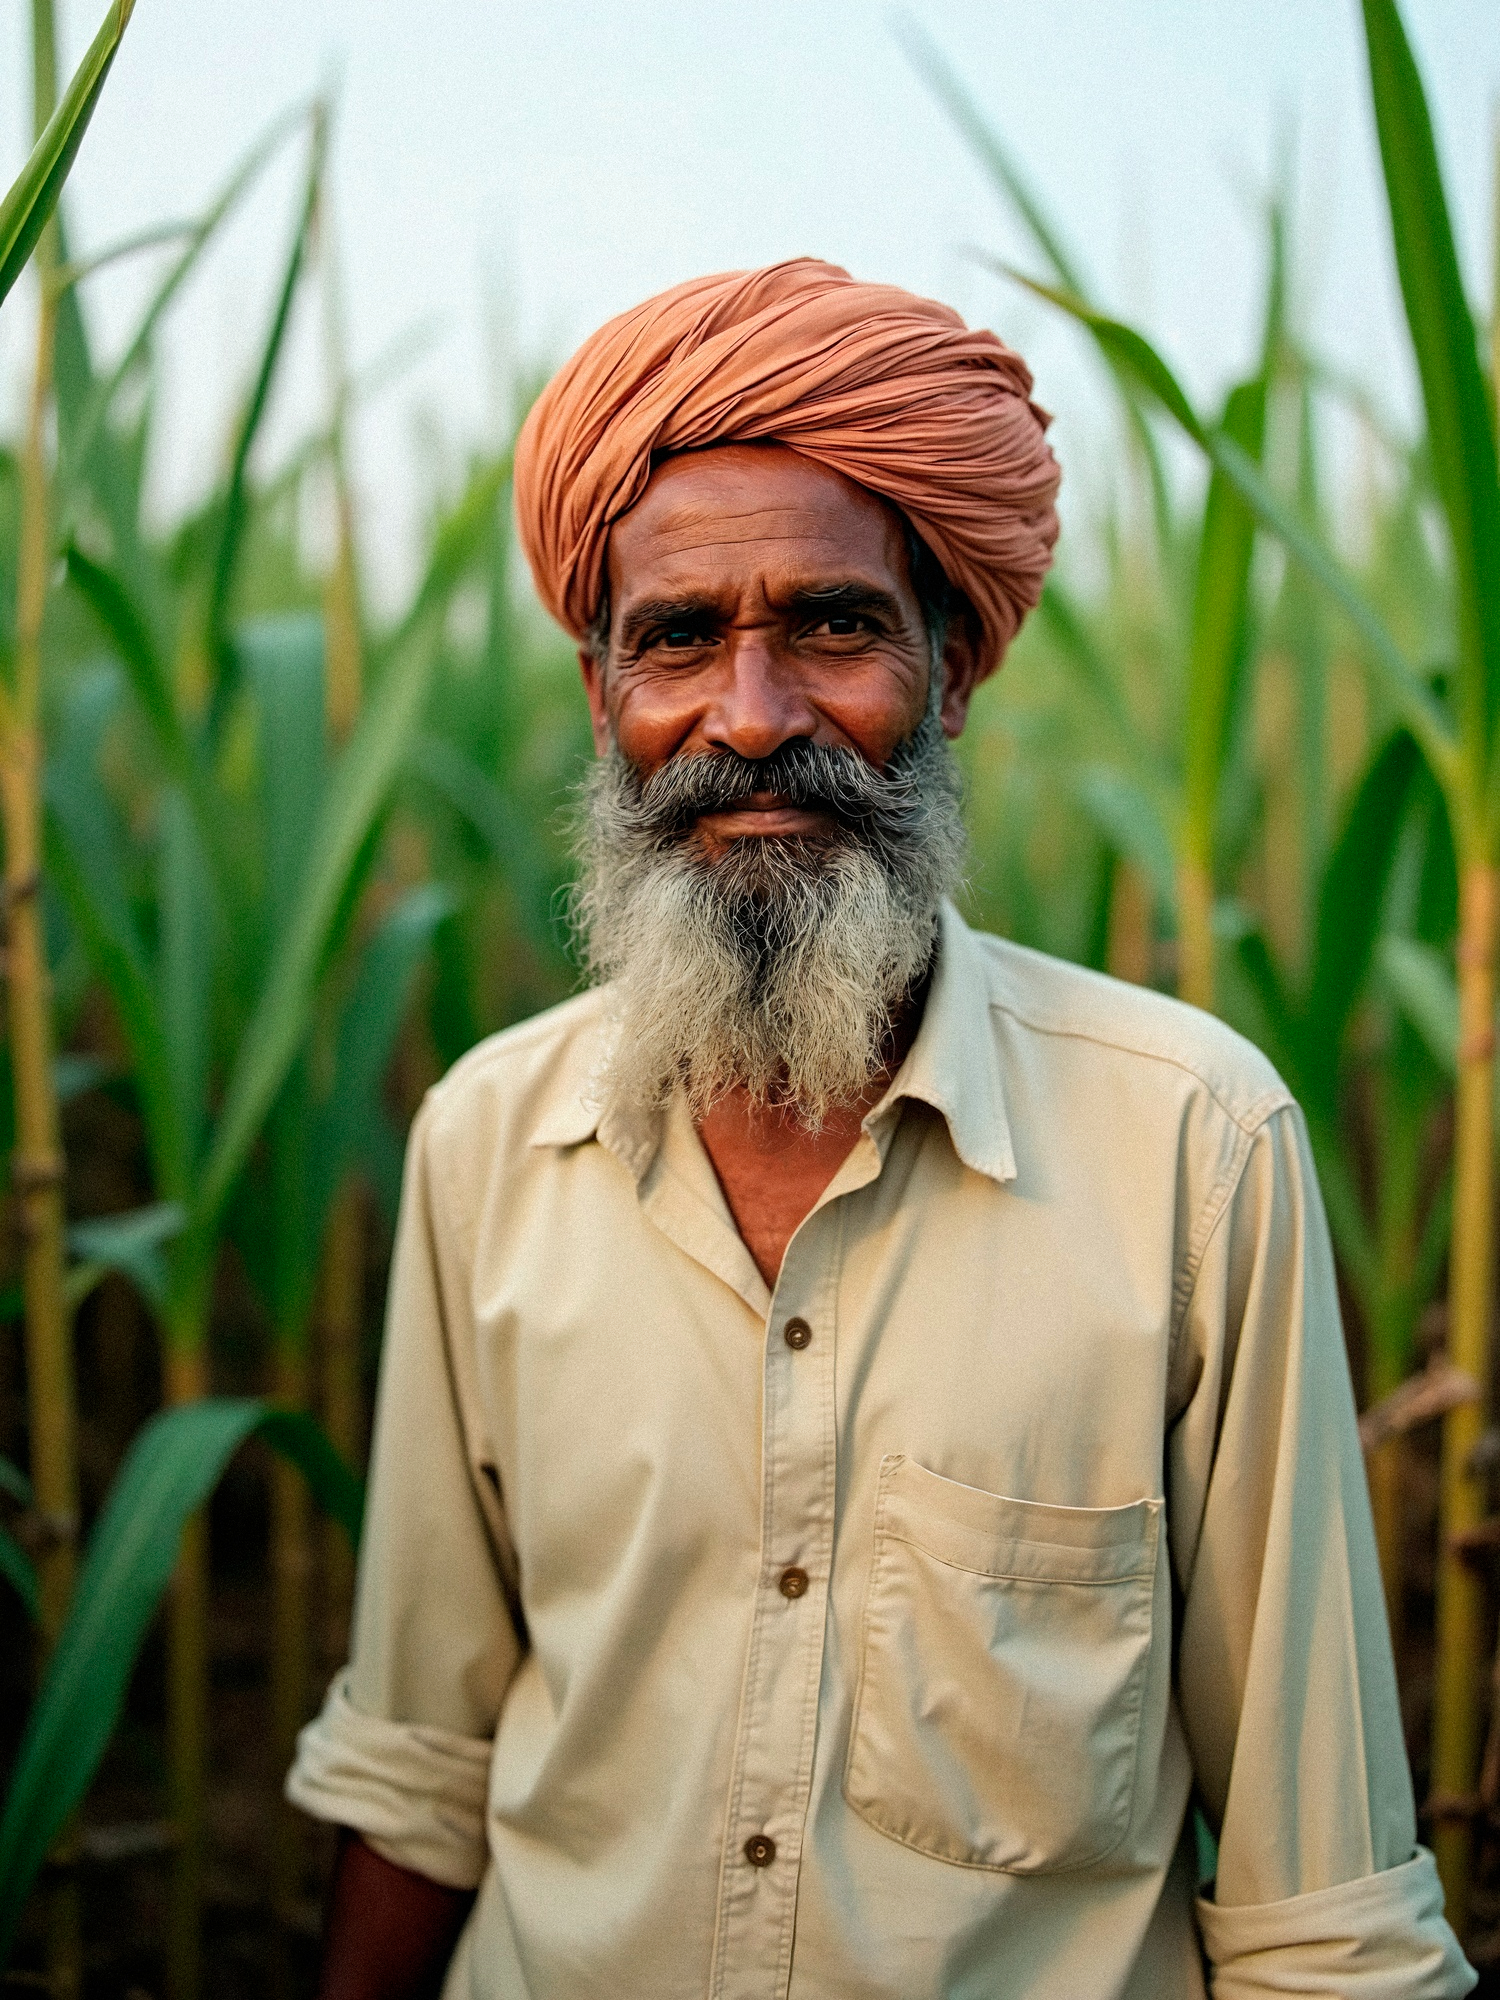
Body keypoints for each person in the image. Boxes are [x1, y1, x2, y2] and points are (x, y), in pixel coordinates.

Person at [289, 259, 1473, 1999]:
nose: (750, 719)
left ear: (955, 671)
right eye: (677, 638)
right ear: (604, 692)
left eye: (834, 628)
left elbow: (1323, 1917)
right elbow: (422, 1764)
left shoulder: (1192, 1151)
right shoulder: (487, 1141)